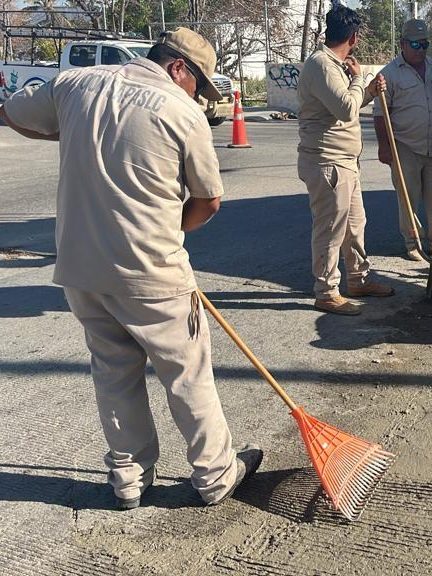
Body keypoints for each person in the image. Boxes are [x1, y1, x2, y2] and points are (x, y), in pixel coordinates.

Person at [0, 28, 262, 510]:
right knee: (187, 374)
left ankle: (128, 478)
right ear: (177, 67)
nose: (199, 97)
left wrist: (63, 127)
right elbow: (208, 201)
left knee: (113, 372)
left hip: (80, 270)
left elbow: (14, 113)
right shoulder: (181, 113)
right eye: (198, 85)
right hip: (152, 273)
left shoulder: (75, 84)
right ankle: (216, 474)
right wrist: (170, 233)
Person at [297, 4, 393, 316]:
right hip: (328, 162)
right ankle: (326, 292)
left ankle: (358, 278)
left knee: (355, 225)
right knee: (330, 228)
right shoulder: (322, 65)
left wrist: (368, 91)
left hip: (345, 161)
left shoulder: (333, 65)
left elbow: (344, 105)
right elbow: (347, 110)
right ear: (353, 36)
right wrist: (359, 79)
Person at [374, 19, 432, 262]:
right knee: (408, 198)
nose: (421, 49)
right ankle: (414, 243)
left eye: (425, 44)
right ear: (402, 44)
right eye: (415, 44)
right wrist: (384, 146)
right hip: (405, 146)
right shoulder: (388, 74)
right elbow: (381, 114)